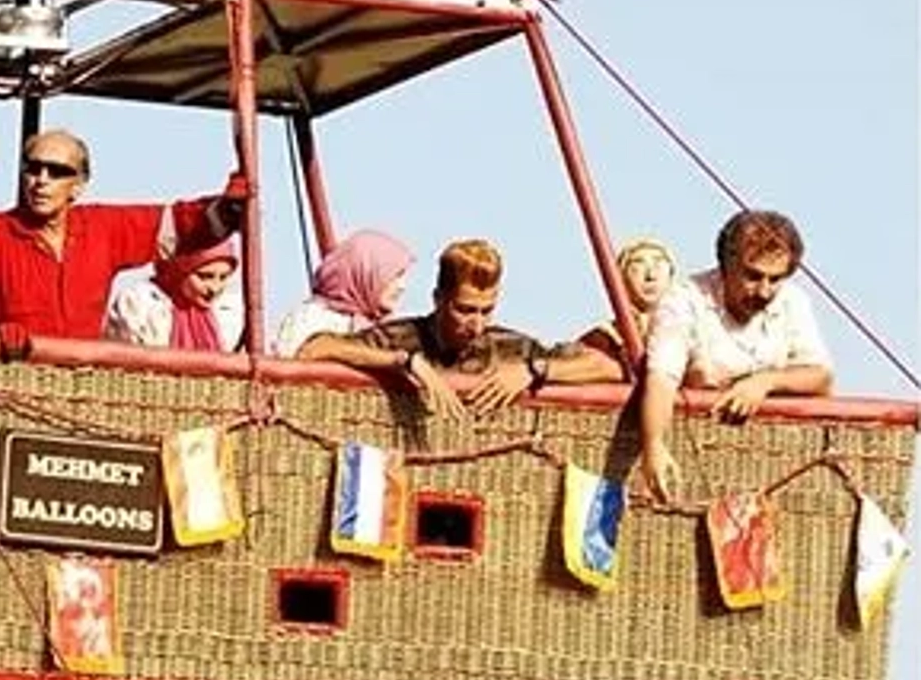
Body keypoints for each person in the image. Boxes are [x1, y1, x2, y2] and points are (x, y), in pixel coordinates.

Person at [0, 130, 242, 343]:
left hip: (81, 392)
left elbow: (176, 225)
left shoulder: (101, 228)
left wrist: (227, 209)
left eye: (56, 172)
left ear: (78, 185)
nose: (41, 181)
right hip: (10, 383)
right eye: (33, 169)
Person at [296, 236, 617, 419]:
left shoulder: (511, 347)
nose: (477, 324)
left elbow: (607, 367)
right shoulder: (399, 337)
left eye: (486, 311)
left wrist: (535, 370)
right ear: (438, 299)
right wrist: (405, 362)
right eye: (464, 310)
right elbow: (314, 349)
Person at [638, 208, 833, 503]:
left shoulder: (794, 302)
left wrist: (763, 383)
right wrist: (654, 444)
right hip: (697, 455)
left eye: (775, 279)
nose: (765, 291)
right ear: (726, 265)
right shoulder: (684, 301)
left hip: (773, 468)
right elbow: (662, 378)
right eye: (753, 276)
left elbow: (821, 377)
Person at [271, 229, 414, 359]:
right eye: (395, 276)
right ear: (365, 273)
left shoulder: (386, 328)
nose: (402, 287)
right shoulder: (311, 319)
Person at [106, 238, 244, 354]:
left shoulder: (231, 311)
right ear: (180, 271)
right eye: (204, 276)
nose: (214, 288)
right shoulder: (138, 304)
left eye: (224, 277)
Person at [579, 234, 677, 369]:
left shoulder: (692, 330)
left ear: (671, 277)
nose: (650, 276)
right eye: (638, 264)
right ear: (621, 279)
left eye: (658, 263)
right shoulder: (603, 337)